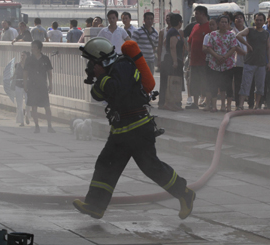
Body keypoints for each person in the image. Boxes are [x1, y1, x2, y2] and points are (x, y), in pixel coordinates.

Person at [74, 37, 196, 220]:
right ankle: (95, 206)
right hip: (121, 132)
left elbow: (118, 90)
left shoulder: (123, 66)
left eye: (92, 62)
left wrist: (102, 77)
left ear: (101, 59)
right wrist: (100, 76)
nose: (90, 66)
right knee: (105, 165)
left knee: (152, 167)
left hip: (137, 130)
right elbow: (96, 94)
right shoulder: (108, 73)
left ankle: (185, 193)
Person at [236, 12, 270, 110]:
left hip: (261, 63)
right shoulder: (249, 30)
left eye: (260, 20)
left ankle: (257, 105)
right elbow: (238, 35)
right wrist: (247, 45)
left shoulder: (266, 33)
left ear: (264, 21)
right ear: (254, 20)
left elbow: (268, 48)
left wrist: (269, 62)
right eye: (257, 20)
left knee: (260, 86)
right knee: (245, 84)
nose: (258, 22)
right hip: (249, 62)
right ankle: (240, 105)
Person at [203, 15, 237, 112]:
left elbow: (233, 48)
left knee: (227, 85)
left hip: (228, 64)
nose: (223, 24)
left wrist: (225, 57)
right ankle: (214, 106)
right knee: (214, 84)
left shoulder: (231, 35)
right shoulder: (213, 34)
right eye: (222, 22)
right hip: (214, 63)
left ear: (228, 23)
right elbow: (209, 47)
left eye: (226, 22)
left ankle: (227, 106)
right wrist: (217, 57)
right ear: (218, 24)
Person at [23, 40, 55, 134]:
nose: (32, 49)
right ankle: (37, 126)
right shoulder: (29, 59)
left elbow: (49, 72)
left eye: (34, 47)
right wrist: (25, 84)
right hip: (32, 85)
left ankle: (50, 126)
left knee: (47, 106)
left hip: (42, 85)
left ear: (40, 49)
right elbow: (25, 73)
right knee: (34, 106)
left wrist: (51, 84)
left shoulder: (45, 59)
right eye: (32, 47)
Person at [187, 5, 211, 109]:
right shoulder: (195, 26)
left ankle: (207, 102)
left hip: (205, 61)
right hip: (194, 61)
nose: (195, 16)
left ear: (203, 14)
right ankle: (195, 103)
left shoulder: (210, 26)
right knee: (194, 83)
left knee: (206, 82)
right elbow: (189, 41)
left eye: (197, 13)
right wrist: (189, 53)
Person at [161, 13, 185, 111]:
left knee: (173, 81)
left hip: (170, 58)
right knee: (172, 81)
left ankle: (172, 103)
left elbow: (164, 42)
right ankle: (169, 103)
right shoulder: (174, 32)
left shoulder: (172, 31)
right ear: (179, 22)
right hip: (172, 60)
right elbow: (172, 46)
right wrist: (175, 61)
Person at [231, 11, 248, 110]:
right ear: (234, 21)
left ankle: (249, 103)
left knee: (247, 82)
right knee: (237, 83)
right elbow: (235, 47)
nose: (239, 19)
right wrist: (246, 53)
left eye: (241, 17)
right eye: (237, 18)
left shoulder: (248, 31)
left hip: (249, 62)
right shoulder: (232, 33)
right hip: (237, 62)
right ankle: (238, 103)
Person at [157, 13, 173, 109]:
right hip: (164, 59)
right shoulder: (162, 32)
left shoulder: (178, 31)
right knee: (163, 82)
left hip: (173, 60)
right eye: (167, 18)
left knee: (173, 82)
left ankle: (172, 101)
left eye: (170, 18)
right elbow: (159, 46)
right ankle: (161, 102)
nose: (168, 20)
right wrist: (159, 59)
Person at [13, 51, 31, 126]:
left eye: (24, 55)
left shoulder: (30, 66)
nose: (22, 57)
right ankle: (21, 121)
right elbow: (15, 74)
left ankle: (27, 115)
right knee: (19, 104)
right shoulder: (17, 65)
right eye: (21, 55)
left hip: (27, 86)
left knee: (28, 102)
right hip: (18, 85)